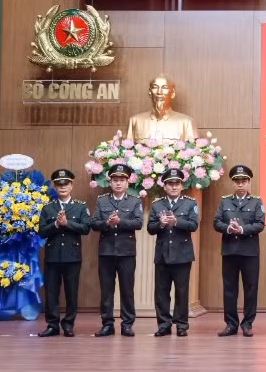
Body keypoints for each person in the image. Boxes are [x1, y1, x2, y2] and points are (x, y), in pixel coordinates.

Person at [90, 164, 143, 337]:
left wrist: (120, 222)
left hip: (126, 252)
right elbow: (94, 223)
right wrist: (106, 223)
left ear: (127, 182)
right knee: (106, 290)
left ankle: (127, 324)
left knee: (127, 290)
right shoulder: (102, 200)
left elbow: (138, 223)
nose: (118, 183)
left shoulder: (135, 201)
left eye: (121, 180)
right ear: (110, 182)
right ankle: (107, 324)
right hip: (106, 251)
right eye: (115, 180)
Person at [37, 169, 91, 337]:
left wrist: (67, 224)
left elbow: (86, 228)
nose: (62, 187)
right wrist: (55, 224)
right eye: (59, 184)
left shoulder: (80, 207)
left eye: (65, 183)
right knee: (51, 292)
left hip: (72, 256)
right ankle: (52, 325)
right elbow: (41, 232)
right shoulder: (47, 208)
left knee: (71, 292)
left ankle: (68, 324)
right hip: (53, 256)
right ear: (54, 186)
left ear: (71, 185)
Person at [214, 165, 265, 338]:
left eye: (244, 181)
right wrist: (228, 228)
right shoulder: (225, 201)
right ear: (233, 183)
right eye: (237, 181)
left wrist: (242, 229)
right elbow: (216, 222)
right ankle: (231, 324)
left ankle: (247, 323)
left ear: (249, 182)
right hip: (230, 251)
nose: (241, 184)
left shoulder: (256, 202)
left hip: (249, 252)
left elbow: (259, 224)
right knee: (229, 289)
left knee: (251, 289)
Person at [147, 168, 199, 337]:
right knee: (161, 292)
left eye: (177, 183)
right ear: (165, 186)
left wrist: (176, 221)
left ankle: (182, 325)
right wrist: (160, 224)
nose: (174, 187)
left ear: (182, 185)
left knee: (182, 292)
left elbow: (194, 225)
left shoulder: (190, 203)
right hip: (162, 254)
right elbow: (150, 228)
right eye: (170, 183)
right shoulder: (157, 204)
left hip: (182, 255)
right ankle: (164, 325)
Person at [126, 74, 196, 144]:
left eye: (165, 88)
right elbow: (127, 149)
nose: (159, 92)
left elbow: (194, 149)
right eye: (155, 87)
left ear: (172, 93)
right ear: (150, 92)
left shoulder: (186, 122)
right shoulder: (135, 121)